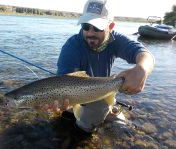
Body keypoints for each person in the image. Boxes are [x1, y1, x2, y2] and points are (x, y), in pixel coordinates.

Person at [56, 0, 155, 134]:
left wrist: (142, 69)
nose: (90, 33)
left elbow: (145, 55)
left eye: (97, 28)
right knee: (85, 128)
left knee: (123, 127)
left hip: (105, 91)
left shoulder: (115, 40)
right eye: (86, 26)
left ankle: (105, 110)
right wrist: (59, 102)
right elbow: (63, 82)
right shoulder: (71, 46)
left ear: (111, 26)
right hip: (77, 97)